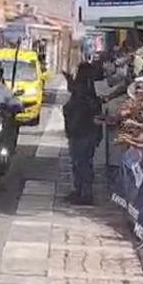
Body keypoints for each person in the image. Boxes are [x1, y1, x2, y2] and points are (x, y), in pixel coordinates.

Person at [63, 63, 104, 205]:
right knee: (78, 163)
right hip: (79, 131)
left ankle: (85, 193)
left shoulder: (86, 90)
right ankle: (80, 190)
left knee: (83, 163)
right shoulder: (85, 88)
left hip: (83, 132)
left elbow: (86, 109)